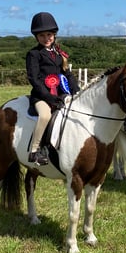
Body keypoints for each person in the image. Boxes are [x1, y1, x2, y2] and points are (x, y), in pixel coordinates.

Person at [25, 12, 80, 165]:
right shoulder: (34, 54)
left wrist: (77, 91)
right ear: (36, 37)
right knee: (45, 116)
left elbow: (67, 74)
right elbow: (34, 79)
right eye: (42, 35)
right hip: (42, 96)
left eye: (49, 34)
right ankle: (35, 151)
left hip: (61, 94)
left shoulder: (59, 54)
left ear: (54, 35)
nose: (46, 38)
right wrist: (50, 98)